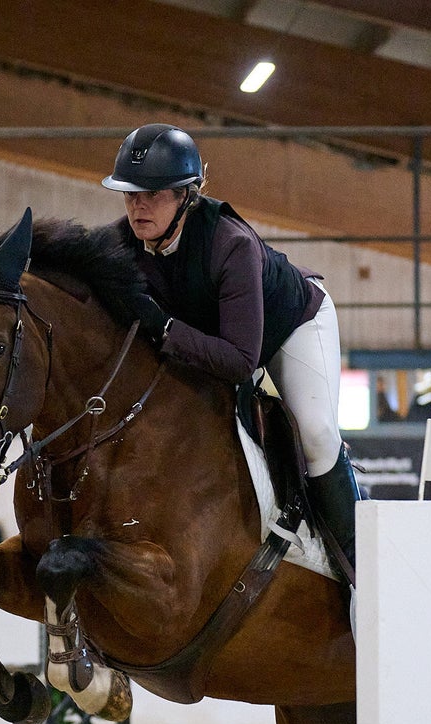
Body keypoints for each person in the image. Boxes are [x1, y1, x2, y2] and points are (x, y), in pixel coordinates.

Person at [102, 123, 358, 579]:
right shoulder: (121, 245)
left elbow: (241, 361)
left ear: (187, 196)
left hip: (290, 327)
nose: (138, 206)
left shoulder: (231, 244)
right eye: (130, 195)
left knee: (317, 436)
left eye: (153, 195)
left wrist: (162, 326)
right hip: (215, 338)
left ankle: (362, 570)